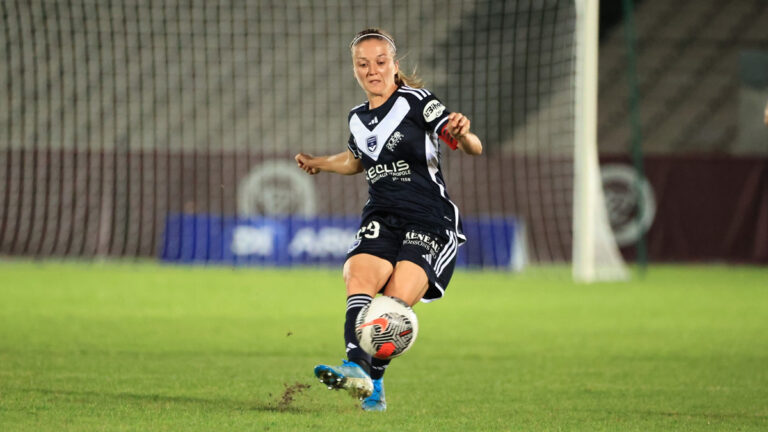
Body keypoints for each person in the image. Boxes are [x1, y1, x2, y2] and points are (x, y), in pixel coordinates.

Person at [294, 28, 483, 412]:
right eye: (363, 64)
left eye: (380, 62)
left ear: (394, 67)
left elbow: (468, 143)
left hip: (430, 219)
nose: (372, 70)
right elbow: (356, 159)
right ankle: (354, 367)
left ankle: (372, 379)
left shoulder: (417, 101)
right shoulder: (357, 118)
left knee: (392, 307)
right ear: (354, 71)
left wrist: (462, 135)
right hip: (382, 214)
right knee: (357, 274)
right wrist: (319, 163)